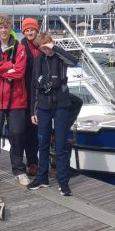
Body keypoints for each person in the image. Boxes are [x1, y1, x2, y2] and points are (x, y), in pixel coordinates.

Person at [27, 32, 78, 196]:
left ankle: (63, 182)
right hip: (43, 106)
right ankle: (42, 178)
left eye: (48, 46)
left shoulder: (60, 58)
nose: (47, 50)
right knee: (42, 144)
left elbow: (74, 61)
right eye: (44, 47)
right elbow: (34, 86)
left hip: (61, 104)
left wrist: (54, 48)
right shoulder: (39, 60)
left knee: (61, 145)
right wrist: (33, 111)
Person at [0, 14, 29, 185]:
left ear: (10, 28)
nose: (3, 30)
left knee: (16, 134)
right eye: (0, 27)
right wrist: (9, 66)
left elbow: (20, 72)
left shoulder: (19, 48)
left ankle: (19, 170)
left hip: (16, 98)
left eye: (6, 27)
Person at [20, 18, 42, 177]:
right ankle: (32, 162)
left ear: (37, 30)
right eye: (26, 30)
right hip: (27, 92)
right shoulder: (21, 47)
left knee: (76, 102)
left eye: (32, 29)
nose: (29, 32)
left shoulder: (43, 45)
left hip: (43, 92)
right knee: (29, 130)